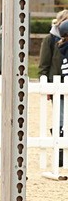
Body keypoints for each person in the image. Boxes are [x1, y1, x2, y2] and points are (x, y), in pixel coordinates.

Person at [38, 9, 68, 167]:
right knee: (61, 119)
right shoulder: (49, 39)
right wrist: (46, 86)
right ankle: (60, 152)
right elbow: (44, 64)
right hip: (56, 85)